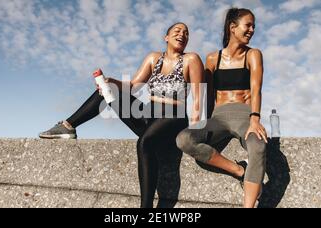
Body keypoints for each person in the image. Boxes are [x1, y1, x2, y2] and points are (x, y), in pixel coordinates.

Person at [39, 22, 204, 208]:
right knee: (107, 89)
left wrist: (196, 130)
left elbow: (198, 98)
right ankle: (68, 126)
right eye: (177, 31)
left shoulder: (191, 59)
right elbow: (133, 85)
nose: (182, 34)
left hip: (174, 116)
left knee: (144, 142)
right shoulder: (153, 58)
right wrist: (111, 82)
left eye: (186, 33)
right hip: (150, 115)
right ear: (166, 37)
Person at [176, 8, 267, 208]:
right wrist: (204, 124)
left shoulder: (253, 55)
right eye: (248, 25)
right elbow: (208, 94)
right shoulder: (212, 59)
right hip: (218, 117)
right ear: (233, 27)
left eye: (254, 26)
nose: (252, 30)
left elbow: (256, 88)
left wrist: (255, 119)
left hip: (245, 114)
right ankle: (239, 171)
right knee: (184, 139)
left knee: (258, 146)